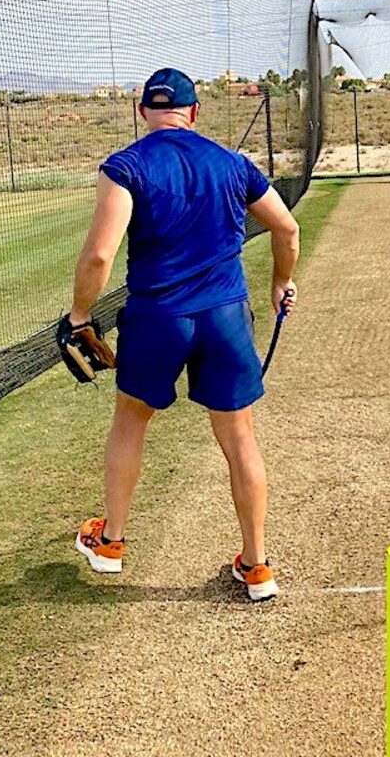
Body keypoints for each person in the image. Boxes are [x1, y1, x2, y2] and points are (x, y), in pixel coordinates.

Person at [68, 67, 300, 601]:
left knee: (131, 419)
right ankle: (257, 566)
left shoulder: (126, 165)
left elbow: (101, 254)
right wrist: (282, 282)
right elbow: (286, 229)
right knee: (238, 436)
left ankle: (111, 543)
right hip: (224, 315)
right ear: (194, 113)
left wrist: (81, 315)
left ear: (142, 112)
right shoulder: (233, 164)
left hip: (157, 317)